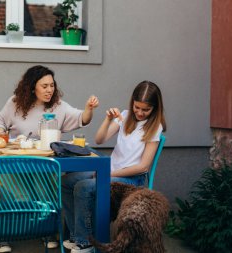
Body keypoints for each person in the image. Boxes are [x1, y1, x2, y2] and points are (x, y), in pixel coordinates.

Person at [0, 65, 99, 253]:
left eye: (52, 85)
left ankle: (47, 231)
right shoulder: (15, 102)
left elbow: (82, 118)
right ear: (32, 87)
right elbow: (0, 120)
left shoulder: (58, 105)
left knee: (46, 191)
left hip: (43, 162)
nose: (49, 90)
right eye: (44, 86)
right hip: (16, 159)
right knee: (17, 195)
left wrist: (88, 108)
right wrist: (1, 133)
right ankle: (2, 236)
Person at [61, 80, 166, 253]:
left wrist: (108, 175)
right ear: (132, 102)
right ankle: (77, 235)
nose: (139, 112)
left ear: (155, 108)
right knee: (66, 181)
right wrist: (108, 119)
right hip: (109, 171)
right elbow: (99, 139)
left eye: (145, 109)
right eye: (137, 107)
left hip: (131, 179)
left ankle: (84, 242)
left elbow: (143, 167)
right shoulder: (124, 116)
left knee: (83, 187)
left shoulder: (155, 127)